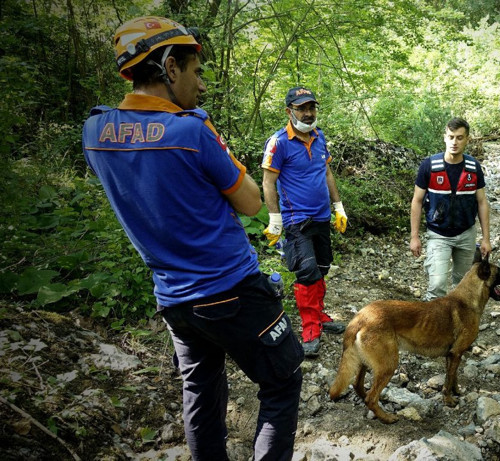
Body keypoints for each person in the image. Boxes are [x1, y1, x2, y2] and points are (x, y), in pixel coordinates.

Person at [82, 16, 303, 460]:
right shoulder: (191, 131)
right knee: (283, 378)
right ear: (169, 67)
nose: (201, 86)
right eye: (196, 71)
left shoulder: (95, 132)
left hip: (174, 299)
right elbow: (251, 202)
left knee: (201, 392)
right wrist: (208, 137)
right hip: (231, 289)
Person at [261, 86, 347, 358]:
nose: (308, 113)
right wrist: (275, 219)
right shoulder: (279, 142)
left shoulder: (319, 137)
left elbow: (328, 173)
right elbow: (268, 182)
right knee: (306, 271)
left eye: (311, 108)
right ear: (289, 111)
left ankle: (320, 315)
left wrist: (338, 206)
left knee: (322, 267)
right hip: (296, 220)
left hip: (321, 216)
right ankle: (310, 327)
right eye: (302, 108)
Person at [410, 117, 492, 300]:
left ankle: (459, 326)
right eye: (451, 137)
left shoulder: (473, 167)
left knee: (463, 285)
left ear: (467, 139)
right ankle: (433, 327)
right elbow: (417, 201)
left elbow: (481, 202)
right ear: (444, 137)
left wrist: (486, 238)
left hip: (466, 234)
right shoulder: (429, 166)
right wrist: (414, 236)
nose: (455, 142)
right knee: (437, 285)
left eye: (460, 137)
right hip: (438, 234)